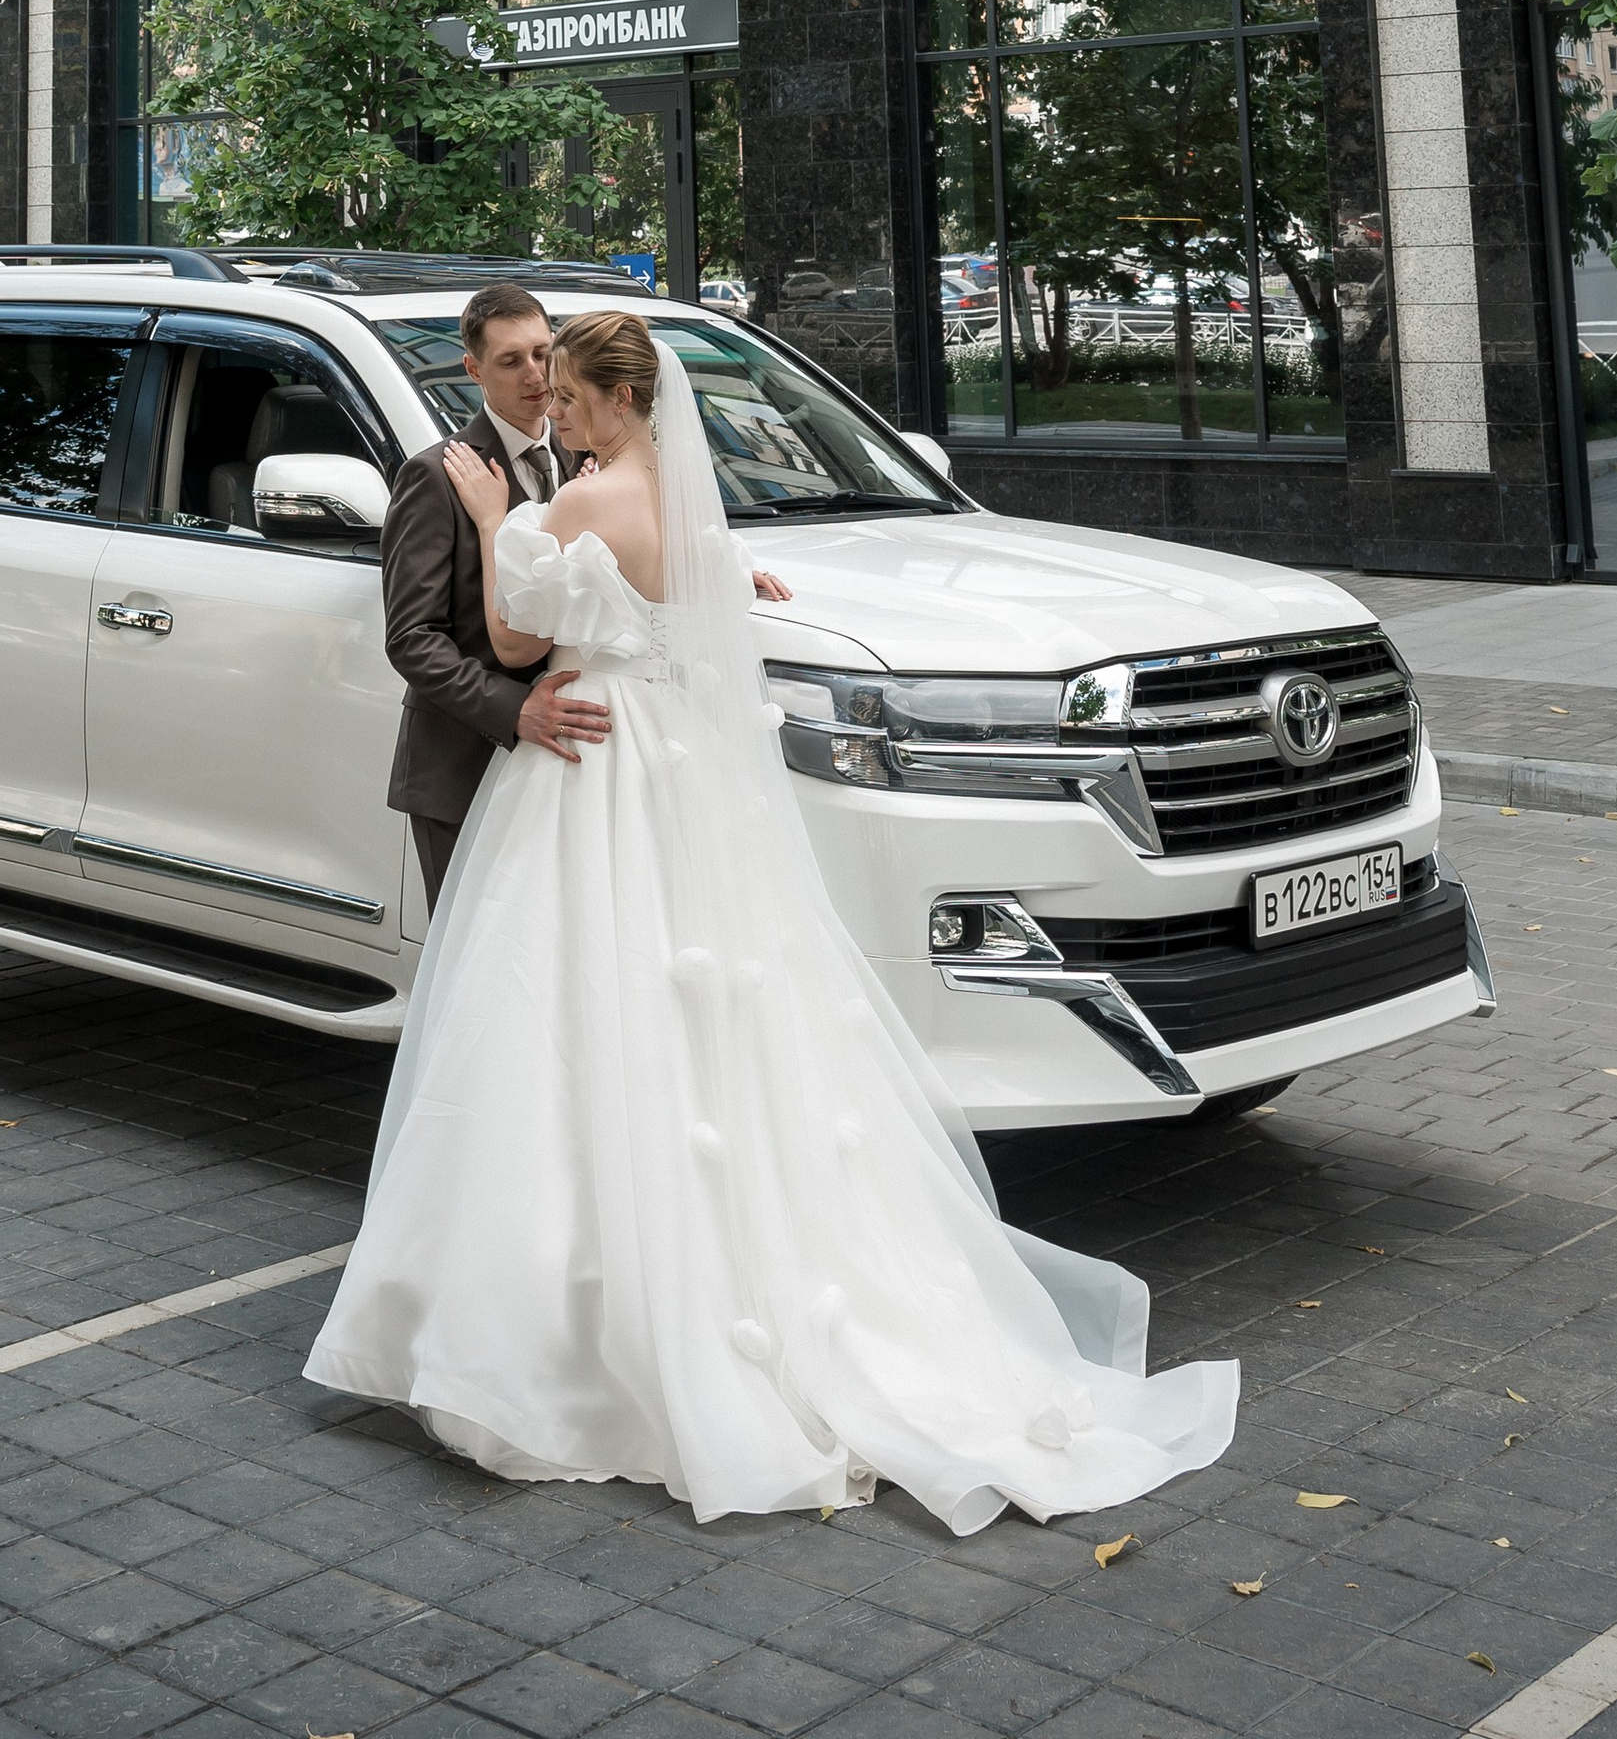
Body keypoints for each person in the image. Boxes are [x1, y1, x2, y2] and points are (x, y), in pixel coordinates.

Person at [310, 308, 1239, 1533]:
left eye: (574, 392)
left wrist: (500, 523)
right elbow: (677, 608)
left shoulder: (575, 501)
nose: (558, 409)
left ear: (616, 398)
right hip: (666, 767)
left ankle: (574, 1324)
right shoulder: (692, 509)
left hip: (588, 766)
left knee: (569, 1012)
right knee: (694, 1011)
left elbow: (513, 633)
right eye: (538, 382)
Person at [378, 281, 607, 913]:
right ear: (473, 369)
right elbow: (412, 639)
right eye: (510, 361)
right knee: (473, 967)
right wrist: (515, 711)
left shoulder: (589, 458)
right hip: (466, 764)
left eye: (543, 352)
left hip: (574, 763)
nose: (534, 374)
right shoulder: (436, 475)